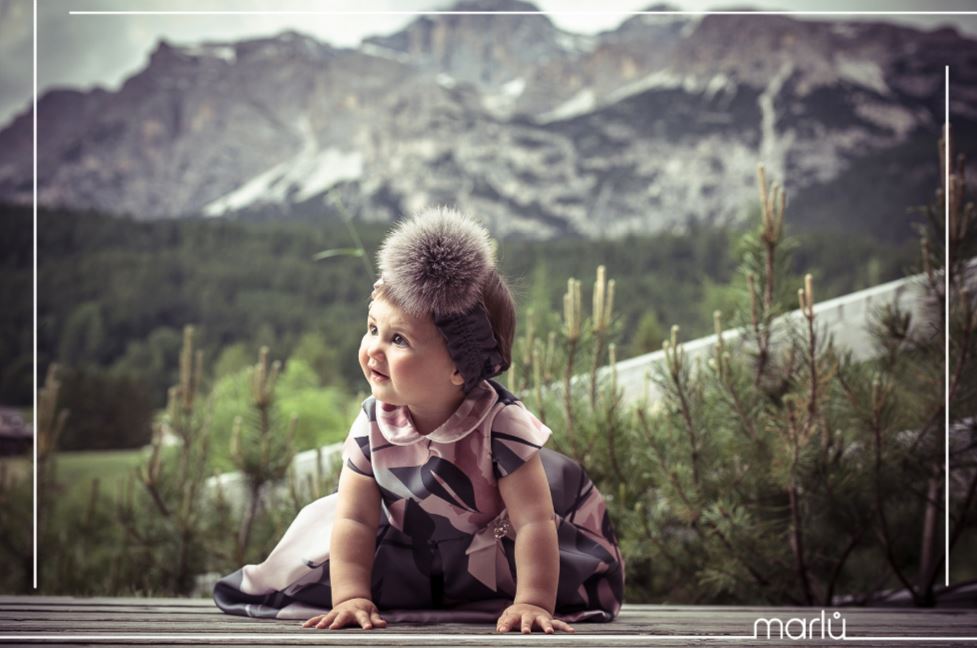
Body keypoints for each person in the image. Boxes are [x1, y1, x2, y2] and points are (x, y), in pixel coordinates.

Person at [213, 206, 624, 633]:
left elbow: (534, 523)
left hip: (498, 559)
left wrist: (533, 602)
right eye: (372, 328)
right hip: (408, 552)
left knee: (538, 567)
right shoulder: (373, 424)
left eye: (398, 339)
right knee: (322, 565)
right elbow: (354, 520)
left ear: (460, 367)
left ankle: (512, 599)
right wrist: (350, 596)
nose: (373, 349)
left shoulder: (501, 426)